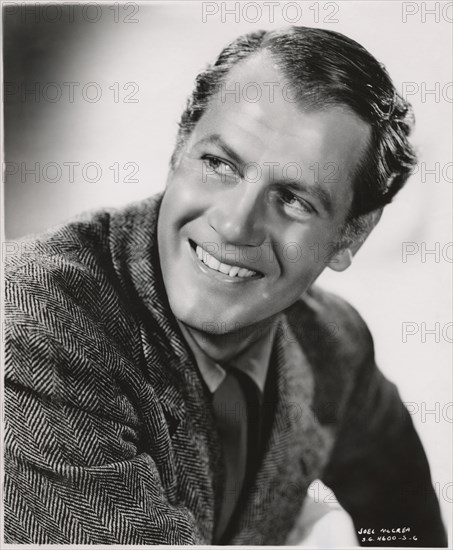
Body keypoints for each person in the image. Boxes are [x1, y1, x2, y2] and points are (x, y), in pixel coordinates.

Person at [4, 26, 448, 546]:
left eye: (294, 199)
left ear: (351, 235)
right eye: (219, 164)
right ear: (178, 151)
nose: (235, 226)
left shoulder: (331, 341)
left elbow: (401, 522)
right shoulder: (34, 334)